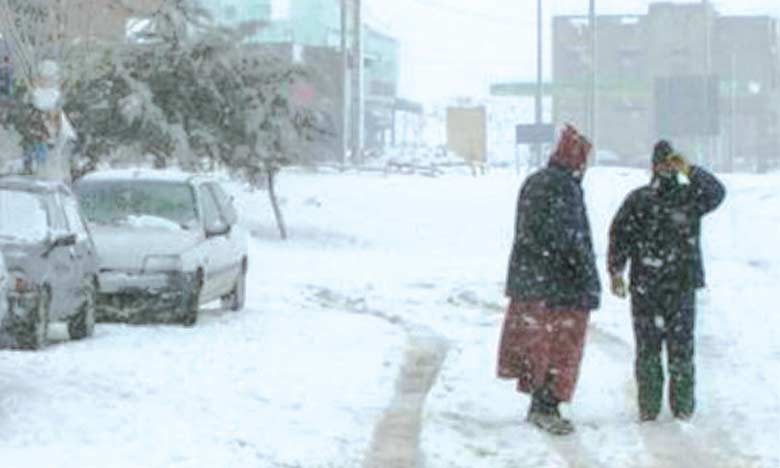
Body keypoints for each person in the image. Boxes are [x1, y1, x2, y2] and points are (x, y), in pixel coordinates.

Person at [607, 140, 725, 422]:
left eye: (672, 163)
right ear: (654, 166)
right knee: (651, 350)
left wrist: (692, 171)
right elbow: (619, 236)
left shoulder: (689, 195)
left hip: (671, 284)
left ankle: (681, 407)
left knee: (678, 350)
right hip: (654, 286)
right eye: (663, 163)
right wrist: (616, 271)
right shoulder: (642, 199)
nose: (666, 168)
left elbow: (717, 193)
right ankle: (651, 408)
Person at [497, 124, 601, 436]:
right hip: (561, 286)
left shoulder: (535, 182)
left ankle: (539, 400)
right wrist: (587, 277)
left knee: (536, 345)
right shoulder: (564, 188)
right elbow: (569, 239)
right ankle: (547, 404)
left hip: (532, 279)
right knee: (560, 348)